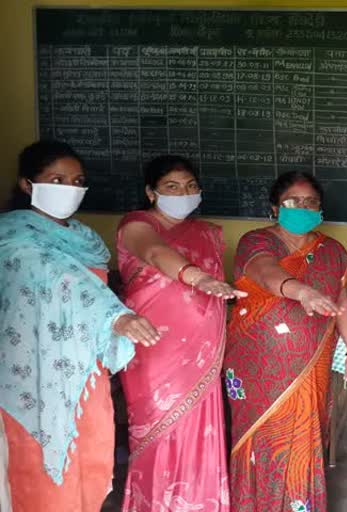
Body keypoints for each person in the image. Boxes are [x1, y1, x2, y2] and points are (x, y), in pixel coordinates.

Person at [0, 140, 159, 511]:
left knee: (91, 452)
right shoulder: (13, 236)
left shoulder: (83, 238)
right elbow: (60, 276)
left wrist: (113, 319)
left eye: (77, 180)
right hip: (34, 372)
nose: (69, 189)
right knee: (37, 462)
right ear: (27, 184)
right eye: (57, 179)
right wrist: (116, 316)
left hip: (84, 368)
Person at [225, 171, 347, 512]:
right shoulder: (256, 241)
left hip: (310, 363)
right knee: (262, 437)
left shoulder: (331, 250)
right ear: (275, 208)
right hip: (257, 365)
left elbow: (342, 302)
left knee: (303, 435)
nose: (302, 207)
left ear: (320, 210)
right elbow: (265, 271)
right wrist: (301, 291)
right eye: (293, 201)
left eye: (311, 202)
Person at [116, 155, 244, 511]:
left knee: (200, 432)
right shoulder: (136, 224)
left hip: (201, 357)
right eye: (172, 187)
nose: (182, 193)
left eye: (190, 187)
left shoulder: (208, 233)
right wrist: (198, 277)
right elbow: (156, 254)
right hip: (154, 351)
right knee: (157, 433)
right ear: (151, 192)